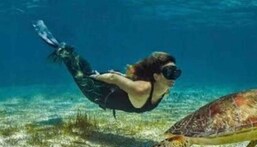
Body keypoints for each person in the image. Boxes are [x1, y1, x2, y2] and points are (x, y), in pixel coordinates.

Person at [33, 20, 181, 117]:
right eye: (169, 73)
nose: (173, 77)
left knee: (85, 69)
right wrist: (96, 77)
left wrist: (124, 77)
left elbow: (126, 81)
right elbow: (114, 78)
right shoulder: (142, 89)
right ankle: (60, 48)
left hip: (110, 89)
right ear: (156, 76)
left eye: (176, 73)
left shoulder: (164, 88)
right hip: (98, 92)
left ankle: (66, 50)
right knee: (80, 72)